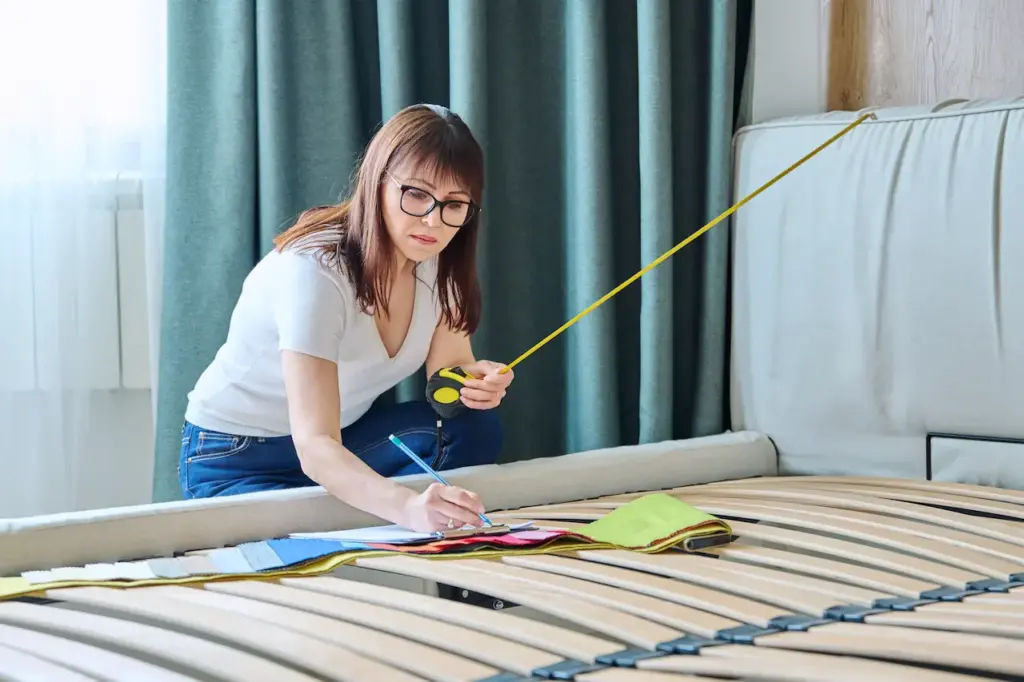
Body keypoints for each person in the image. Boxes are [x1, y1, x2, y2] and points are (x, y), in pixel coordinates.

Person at [178, 103, 513, 533]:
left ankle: (365, 501)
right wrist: (407, 509)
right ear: (377, 183)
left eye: (454, 204)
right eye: (416, 194)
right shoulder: (314, 271)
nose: (433, 220)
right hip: (235, 456)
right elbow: (315, 445)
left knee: (474, 426)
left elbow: (447, 373)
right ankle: (373, 506)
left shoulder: (437, 263)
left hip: (343, 441)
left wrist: (475, 384)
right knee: (309, 549)